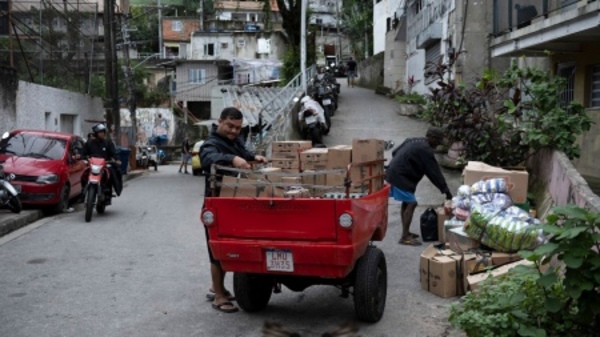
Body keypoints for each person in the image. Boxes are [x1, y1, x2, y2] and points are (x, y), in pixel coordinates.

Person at [200, 107, 268, 313]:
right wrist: (232, 159)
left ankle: (217, 287)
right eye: (230, 126)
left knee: (231, 248)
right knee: (217, 251)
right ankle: (219, 296)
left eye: (238, 128)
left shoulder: (234, 142)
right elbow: (209, 159)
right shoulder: (210, 144)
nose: (233, 131)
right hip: (217, 204)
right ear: (220, 121)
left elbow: (243, 154)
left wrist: (254, 157)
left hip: (235, 202)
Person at [385, 127, 453, 246]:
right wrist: (446, 191)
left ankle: (406, 232)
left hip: (395, 172)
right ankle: (405, 237)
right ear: (431, 138)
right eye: (437, 141)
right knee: (412, 203)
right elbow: (434, 173)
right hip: (400, 176)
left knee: (406, 202)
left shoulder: (412, 140)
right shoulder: (425, 150)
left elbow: (395, 152)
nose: (437, 145)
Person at [80, 123, 123, 205]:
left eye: (103, 132)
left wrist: (117, 159)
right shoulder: (90, 143)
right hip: (92, 165)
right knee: (84, 175)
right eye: (100, 132)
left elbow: (113, 153)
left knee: (112, 174)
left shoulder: (108, 143)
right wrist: (81, 156)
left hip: (104, 165)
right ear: (96, 133)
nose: (102, 134)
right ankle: (82, 193)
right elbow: (83, 152)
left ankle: (108, 193)